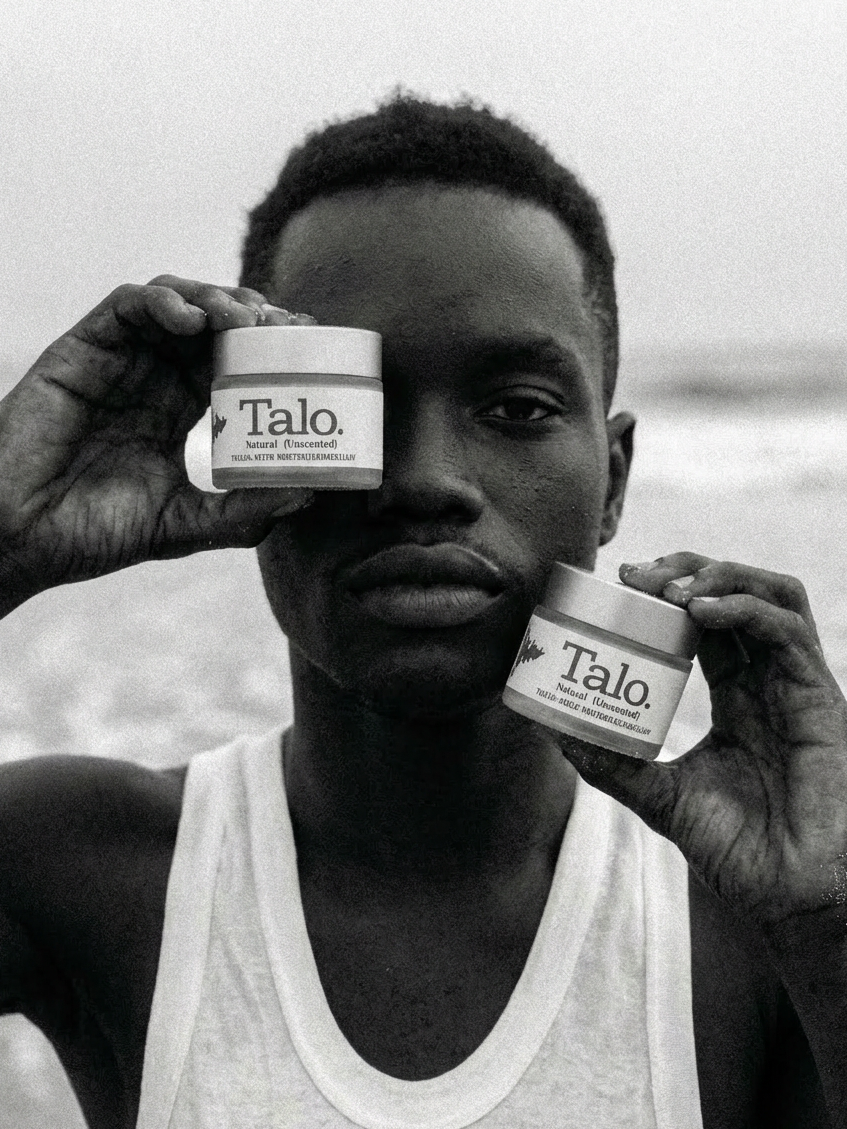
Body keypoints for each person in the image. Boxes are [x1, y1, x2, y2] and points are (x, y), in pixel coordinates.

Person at [0, 94, 845, 1129]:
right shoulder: (92, 867)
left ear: (613, 480)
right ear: (247, 440)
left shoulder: (748, 914)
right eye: (344, 405)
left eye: (516, 408)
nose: (425, 478)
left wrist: (829, 927)